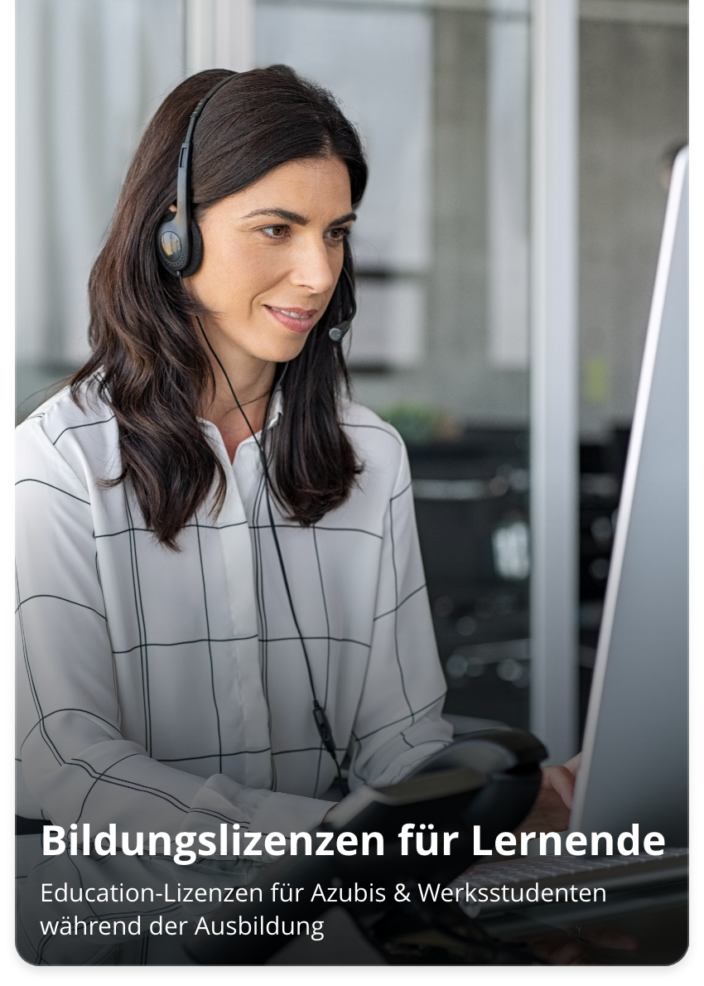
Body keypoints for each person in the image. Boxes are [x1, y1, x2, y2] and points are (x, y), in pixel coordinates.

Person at [15, 65, 574, 850]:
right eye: (277, 229)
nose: (318, 275)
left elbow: (400, 743)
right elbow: (71, 766)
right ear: (174, 234)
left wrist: (497, 818)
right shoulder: (58, 460)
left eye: (336, 233)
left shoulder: (368, 457)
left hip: (329, 921)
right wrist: (332, 841)